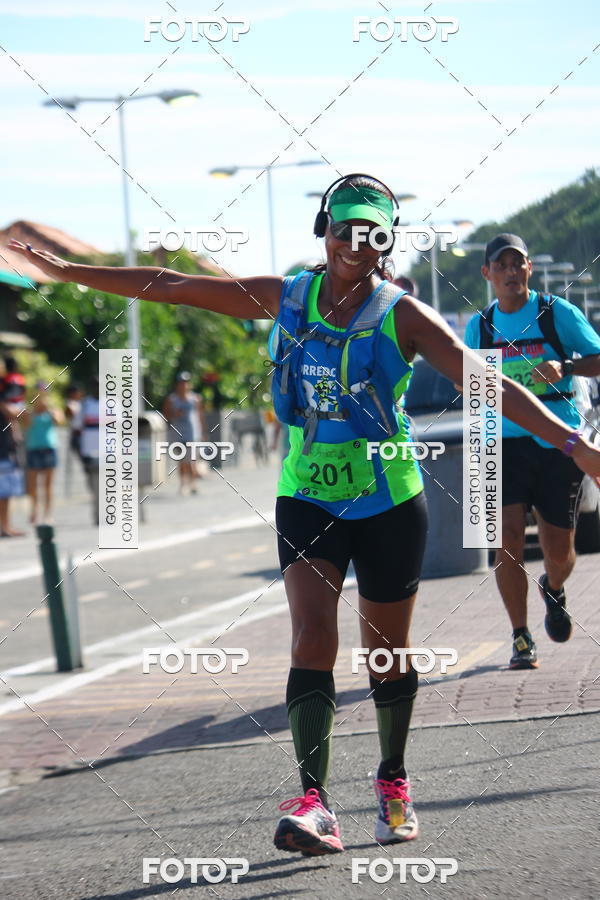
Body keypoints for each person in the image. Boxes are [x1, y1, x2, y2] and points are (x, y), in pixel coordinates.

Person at [8, 179, 600, 855]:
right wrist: (63, 272)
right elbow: (169, 285)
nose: (354, 244)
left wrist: (577, 445)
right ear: (324, 230)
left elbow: (488, 384)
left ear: (386, 243)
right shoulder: (286, 297)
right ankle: (314, 801)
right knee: (311, 638)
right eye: (343, 229)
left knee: (386, 653)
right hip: (308, 493)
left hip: (388, 500)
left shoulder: (403, 315)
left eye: (371, 233)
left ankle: (392, 779)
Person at [464, 233, 600, 669]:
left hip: (557, 443)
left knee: (558, 550)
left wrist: (568, 367)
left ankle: (554, 588)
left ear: (528, 269)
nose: (509, 272)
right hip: (501, 444)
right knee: (505, 540)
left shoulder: (555, 314)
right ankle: (520, 635)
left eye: (516, 264)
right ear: (487, 274)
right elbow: (470, 385)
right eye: (499, 265)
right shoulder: (480, 327)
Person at [23, 381, 63, 524]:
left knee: (48, 485)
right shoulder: (30, 409)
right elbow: (25, 423)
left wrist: (49, 410)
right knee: (33, 485)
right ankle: (35, 510)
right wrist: (34, 409)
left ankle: (48, 514)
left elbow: (60, 421)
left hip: (49, 448)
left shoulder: (52, 408)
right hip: (33, 448)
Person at [162, 372, 206, 494]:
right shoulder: (171, 399)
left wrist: (203, 432)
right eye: (181, 383)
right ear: (177, 385)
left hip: (192, 434)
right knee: (181, 461)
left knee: (191, 460)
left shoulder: (195, 398)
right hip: (178, 434)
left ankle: (193, 484)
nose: (184, 385)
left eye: (186, 383)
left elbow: (200, 415)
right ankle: (183, 483)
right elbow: (165, 416)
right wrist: (174, 415)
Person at [72, 377, 100, 524]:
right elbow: (76, 428)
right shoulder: (85, 405)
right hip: (90, 452)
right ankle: (98, 514)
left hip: (110, 453)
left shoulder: (115, 405)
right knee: (94, 486)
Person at [0, 393, 25, 537]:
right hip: (2, 454)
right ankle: (4, 527)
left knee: (6, 494)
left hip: (7, 452)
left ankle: (6, 526)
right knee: (3, 494)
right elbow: (13, 413)